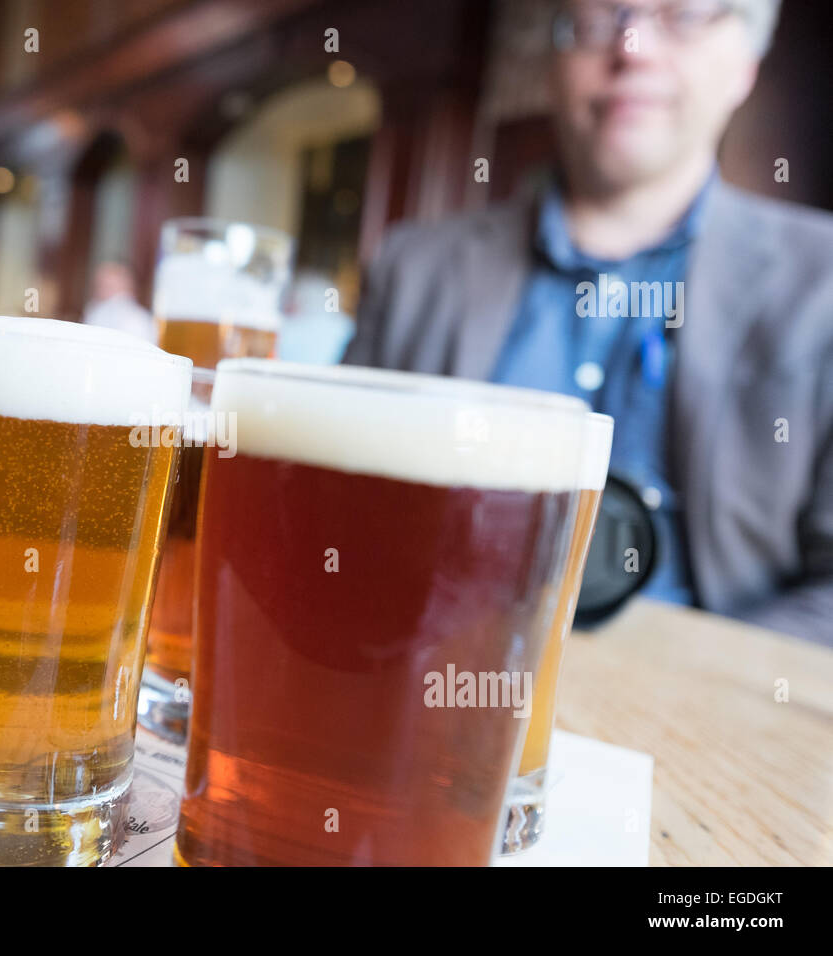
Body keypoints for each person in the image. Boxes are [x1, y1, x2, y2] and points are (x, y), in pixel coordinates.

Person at [346, 0, 833, 645]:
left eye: (681, 15)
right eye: (599, 17)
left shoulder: (821, 282)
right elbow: (342, 522)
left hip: (708, 711)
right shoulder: (415, 268)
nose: (631, 45)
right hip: (433, 680)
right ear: (554, 62)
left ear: (745, 63)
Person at [82, 261, 154, 343]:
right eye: (99, 286)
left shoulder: (138, 319)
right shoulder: (95, 309)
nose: (101, 291)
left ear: (127, 287)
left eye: (109, 287)